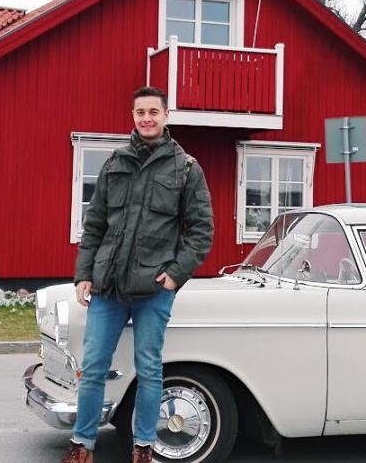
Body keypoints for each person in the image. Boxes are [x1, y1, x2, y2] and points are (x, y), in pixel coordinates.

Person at [61, 86, 214, 463]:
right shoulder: (115, 163)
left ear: (166, 115)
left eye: (153, 112)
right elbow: (94, 224)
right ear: (133, 116)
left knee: (149, 370)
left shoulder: (186, 169)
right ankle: (83, 447)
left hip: (153, 291)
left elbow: (201, 231)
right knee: (93, 367)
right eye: (140, 112)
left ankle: (143, 448)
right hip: (108, 288)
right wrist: (85, 274)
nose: (146, 118)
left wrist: (175, 275)